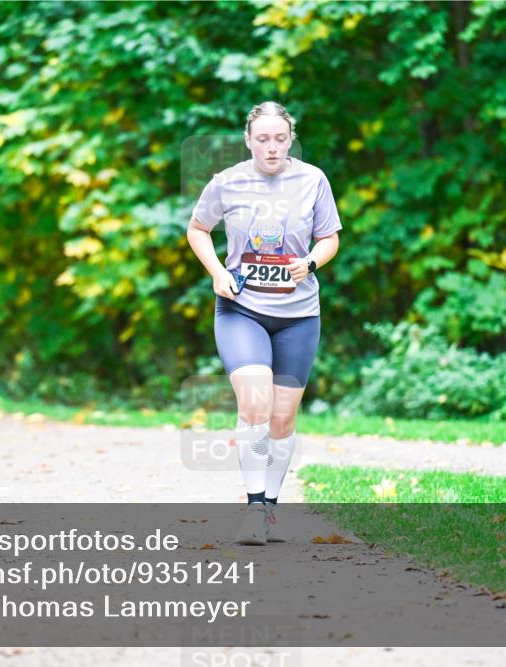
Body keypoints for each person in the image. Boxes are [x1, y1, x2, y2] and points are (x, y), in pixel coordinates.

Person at [187, 101, 341, 545]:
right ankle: (255, 507)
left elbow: (329, 237)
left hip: (298, 316)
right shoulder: (227, 182)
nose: (271, 148)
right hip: (242, 310)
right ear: (248, 140)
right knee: (253, 404)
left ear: (290, 138)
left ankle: (271, 507)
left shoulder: (313, 179)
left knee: (281, 419)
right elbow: (198, 229)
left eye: (279, 138)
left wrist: (311, 261)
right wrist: (218, 272)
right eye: (262, 139)